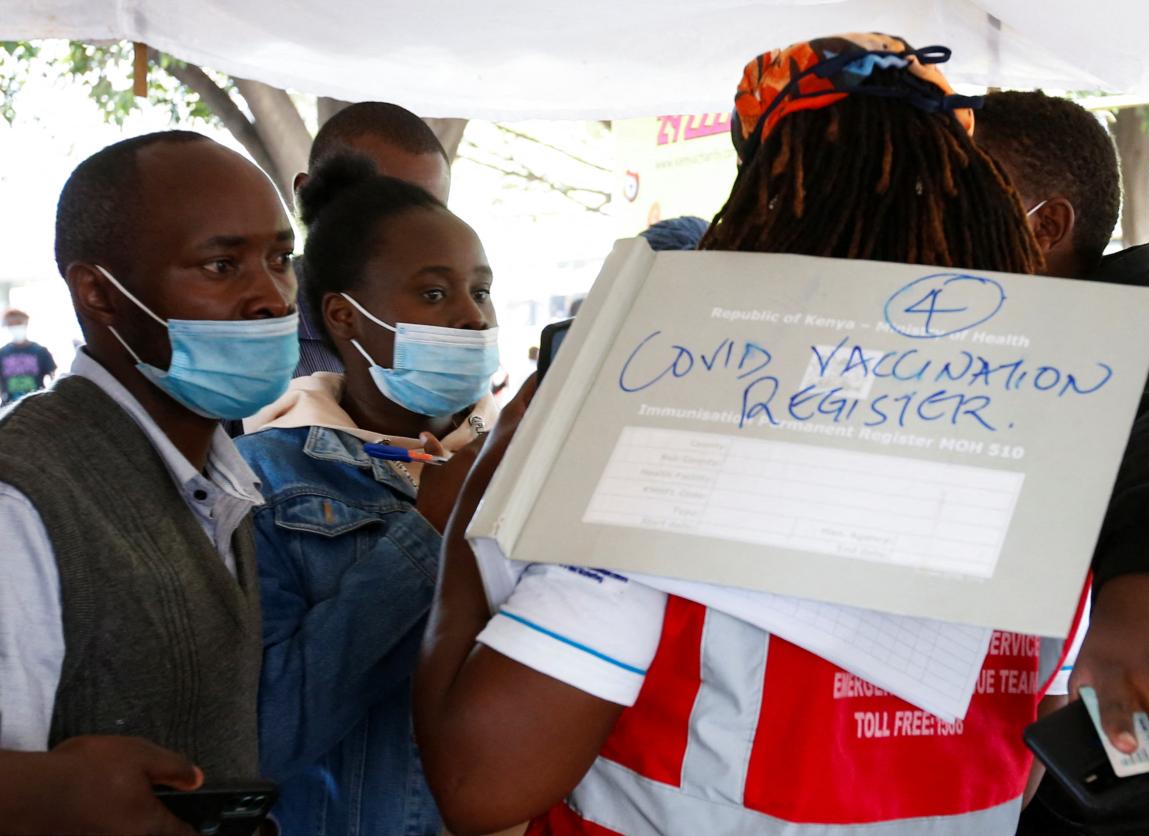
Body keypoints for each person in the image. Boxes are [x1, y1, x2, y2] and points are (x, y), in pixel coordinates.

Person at [416, 33, 1060, 835]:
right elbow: (1029, 752)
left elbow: (480, 779)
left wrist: (496, 477)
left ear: (763, 208)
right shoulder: (1057, 465)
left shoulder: (681, 441)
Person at [976, 90, 1149, 833]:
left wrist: (1147, 574)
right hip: (995, 757)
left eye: (957, 203)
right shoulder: (964, 330)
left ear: (1046, 225)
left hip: (1133, 781)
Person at [0, 130, 298, 833]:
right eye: (222, 266)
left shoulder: (219, 474)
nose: (271, 298)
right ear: (101, 294)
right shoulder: (26, 498)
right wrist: (35, 794)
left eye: (282, 260)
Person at [235, 154, 498, 836]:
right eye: (435, 294)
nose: (473, 318)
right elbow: (266, 731)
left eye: (481, 290)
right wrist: (425, 533)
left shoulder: (519, 464)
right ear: (345, 318)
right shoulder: (262, 482)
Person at [294, 102, 452, 377]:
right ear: (307, 194)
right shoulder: (251, 339)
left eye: (432, 219)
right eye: (382, 211)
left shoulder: (445, 334)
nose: (413, 241)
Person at [0, 308, 57, 404]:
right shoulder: (2, 353)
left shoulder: (40, 351)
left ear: (25, 323)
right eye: (11, 324)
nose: (15, 327)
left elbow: (53, 378)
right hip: (8, 407)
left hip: (37, 406)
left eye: (18, 323)